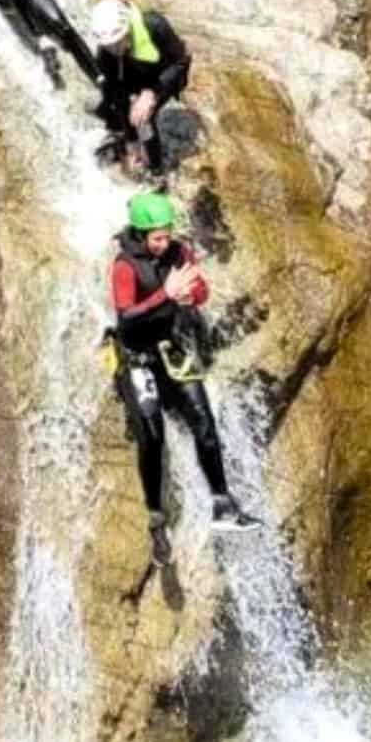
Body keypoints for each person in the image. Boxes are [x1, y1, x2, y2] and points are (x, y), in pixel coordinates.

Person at [107, 192, 261, 565]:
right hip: (137, 355)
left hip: (170, 349)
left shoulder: (179, 252)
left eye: (166, 235)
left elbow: (201, 290)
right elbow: (126, 317)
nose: (164, 242)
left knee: (203, 422)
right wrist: (166, 294)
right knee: (153, 435)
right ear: (141, 235)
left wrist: (193, 294)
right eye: (156, 237)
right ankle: (156, 520)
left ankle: (223, 503)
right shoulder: (124, 266)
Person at [89, 0, 192, 177]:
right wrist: (131, 140)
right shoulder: (105, 54)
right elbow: (118, 95)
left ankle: (157, 171)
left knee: (144, 117)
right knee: (116, 109)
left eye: (118, 42)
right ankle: (136, 146)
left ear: (129, 28)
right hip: (135, 74)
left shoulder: (155, 25)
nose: (115, 49)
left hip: (164, 73)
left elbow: (181, 61)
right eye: (110, 46)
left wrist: (152, 93)